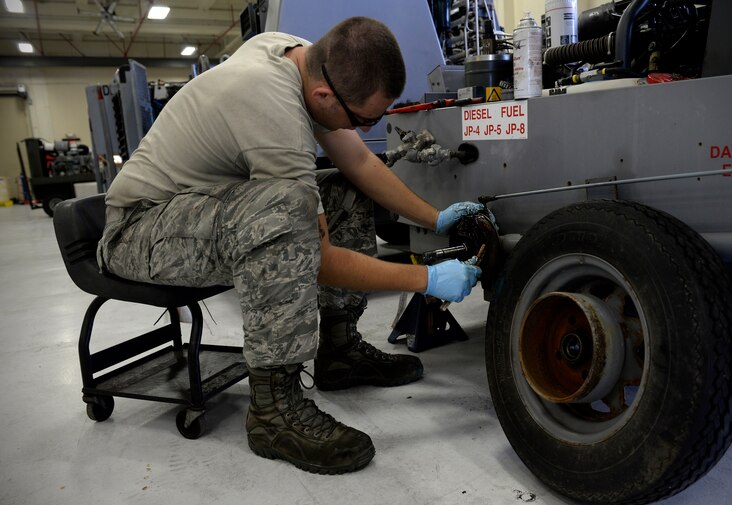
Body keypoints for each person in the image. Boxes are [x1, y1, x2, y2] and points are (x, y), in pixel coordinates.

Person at [97, 16, 486, 475]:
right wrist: (428, 279)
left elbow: (359, 162)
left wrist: (435, 218)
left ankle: (339, 352)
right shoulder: (271, 106)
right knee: (285, 210)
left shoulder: (300, 56)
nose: (365, 129)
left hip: (194, 211)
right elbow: (315, 258)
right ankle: (273, 410)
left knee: (343, 189)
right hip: (139, 230)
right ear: (325, 97)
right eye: (365, 119)